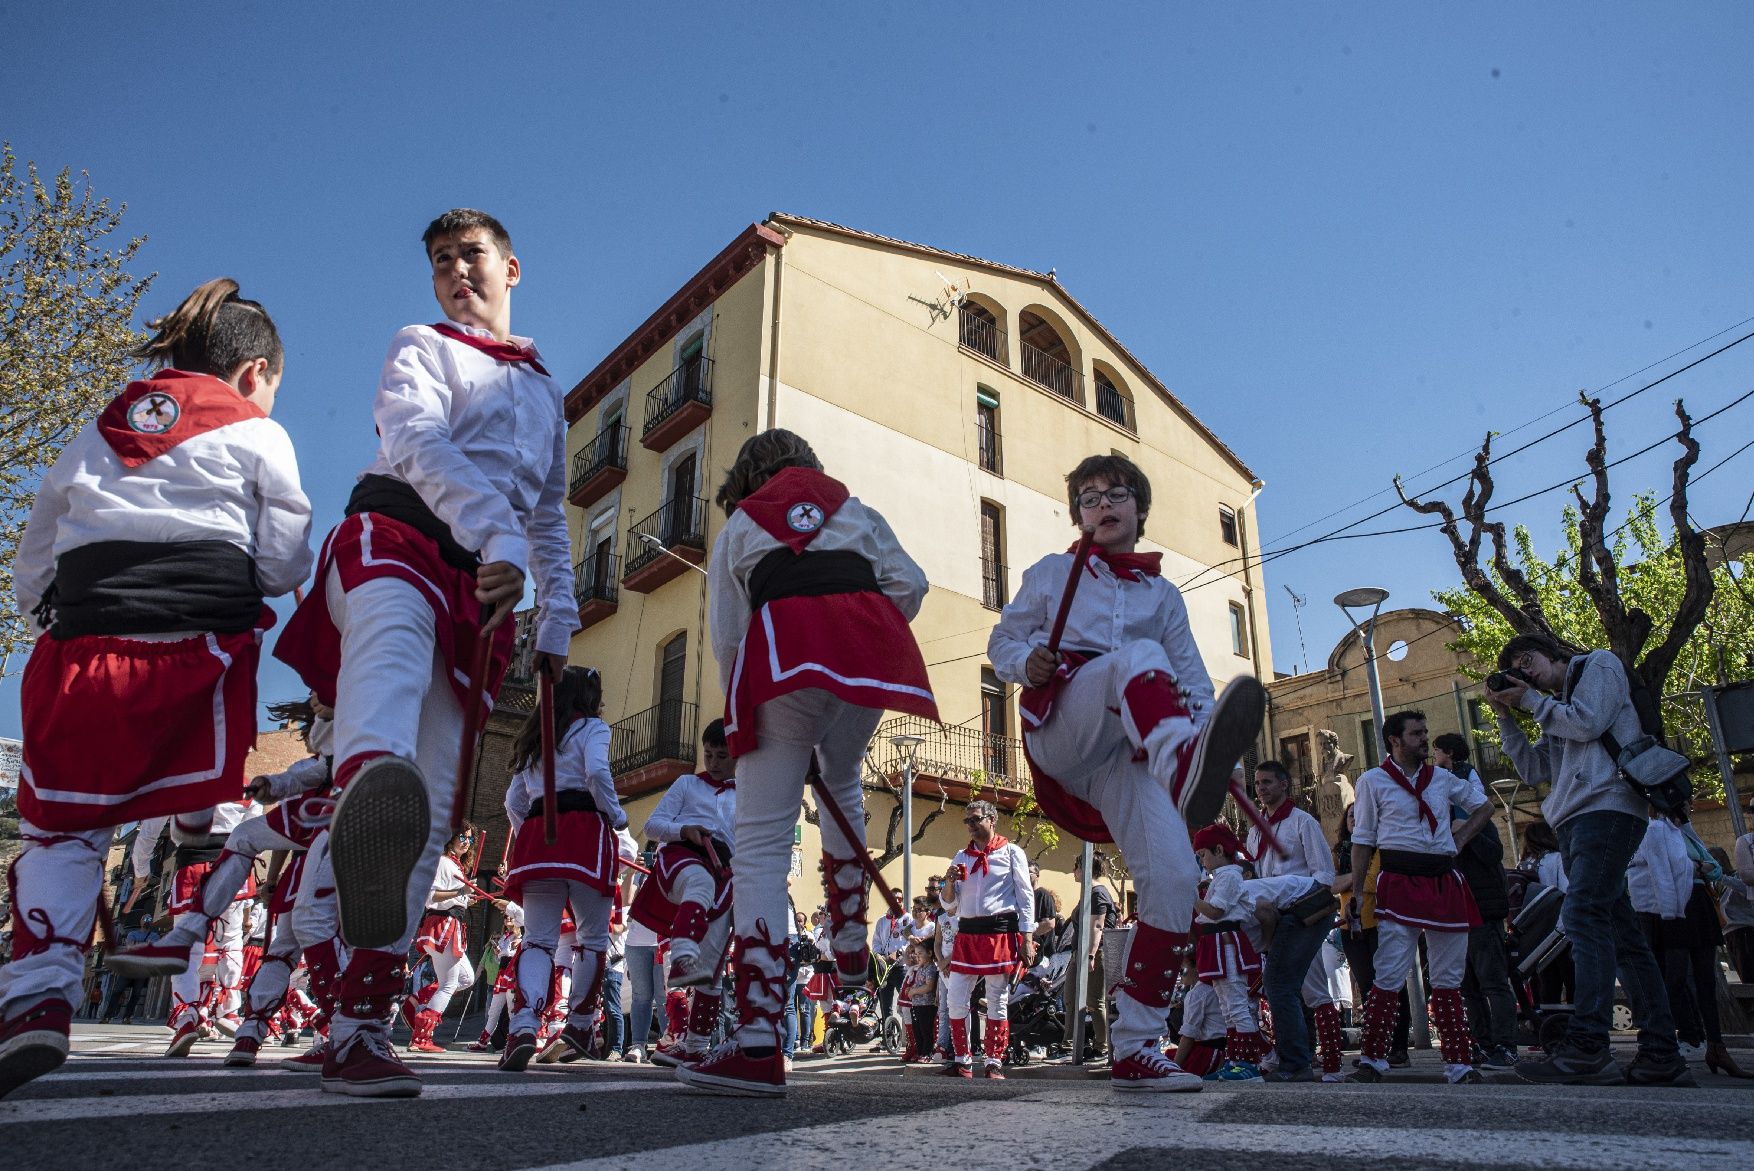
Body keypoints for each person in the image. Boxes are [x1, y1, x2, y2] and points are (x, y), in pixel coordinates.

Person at [273, 209, 577, 1098]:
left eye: (470, 254)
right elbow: (416, 441)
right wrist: (497, 539)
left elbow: (549, 519)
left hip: (475, 587)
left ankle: (357, 1023)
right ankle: (360, 796)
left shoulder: (546, 391)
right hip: (395, 540)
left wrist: (554, 627)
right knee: (391, 709)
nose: (454, 270)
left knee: (438, 802)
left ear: (511, 267)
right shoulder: (421, 345)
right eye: (440, 259)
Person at [0, 277, 312, 1102]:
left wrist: (48, 621)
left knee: (62, 831)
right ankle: (191, 884)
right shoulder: (259, 433)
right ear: (253, 374)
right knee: (207, 797)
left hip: (81, 654)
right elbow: (283, 566)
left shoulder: (93, 436)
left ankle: (37, 991)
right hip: (197, 658)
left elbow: (36, 550)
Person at [988, 453, 1268, 1093]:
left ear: (1139, 509)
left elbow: (1194, 683)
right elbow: (1003, 641)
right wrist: (1024, 660)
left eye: (1115, 494)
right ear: (1078, 515)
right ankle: (1182, 768)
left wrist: (1204, 727)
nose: (1102, 505)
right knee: (1133, 658)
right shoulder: (1053, 572)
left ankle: (1138, 1045)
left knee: (1173, 879)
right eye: (1088, 498)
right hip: (1066, 725)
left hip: (1132, 752)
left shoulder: (1164, 596)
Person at [677, 429, 935, 1098]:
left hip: (782, 659)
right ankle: (850, 934)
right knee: (843, 772)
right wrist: (857, 626)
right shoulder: (856, 509)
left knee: (761, 842)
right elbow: (912, 583)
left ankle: (759, 1040)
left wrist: (756, 714)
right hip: (865, 652)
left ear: (749, 474)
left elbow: (729, 640)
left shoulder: (739, 525)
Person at [1487, 633, 1690, 1086]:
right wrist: (1507, 717)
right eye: (1518, 671)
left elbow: (1589, 722)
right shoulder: (1554, 706)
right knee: (1622, 936)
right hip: (1574, 822)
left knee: (1582, 917)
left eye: (1528, 660)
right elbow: (1536, 770)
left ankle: (1588, 1047)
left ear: (1552, 651)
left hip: (1608, 808)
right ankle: (1661, 1053)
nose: (1526, 672)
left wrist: (1534, 701)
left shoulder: (1596, 665)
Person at [1344, 710, 1492, 1085]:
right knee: (1389, 970)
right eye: (1417, 734)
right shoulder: (1372, 781)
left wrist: (1459, 839)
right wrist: (1359, 891)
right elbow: (1363, 839)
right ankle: (1373, 1060)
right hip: (1398, 878)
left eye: (1426, 732)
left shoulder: (1442, 778)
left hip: (1443, 877)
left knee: (1448, 975)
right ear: (1395, 740)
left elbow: (1485, 807)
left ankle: (1458, 1063)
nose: (1425, 739)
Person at [495, 666, 627, 1071]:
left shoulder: (537, 736)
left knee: (537, 940)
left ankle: (522, 1026)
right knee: (592, 938)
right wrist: (617, 815)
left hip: (538, 837)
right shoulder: (593, 728)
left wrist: (533, 833)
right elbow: (596, 772)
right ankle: (580, 1025)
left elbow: (512, 801)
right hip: (586, 832)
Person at [629, 719, 737, 1068]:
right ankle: (683, 950)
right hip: (684, 856)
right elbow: (652, 825)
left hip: (728, 874)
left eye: (722, 756)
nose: (715, 763)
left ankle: (693, 1047)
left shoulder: (750, 792)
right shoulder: (687, 783)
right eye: (709, 754)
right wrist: (684, 830)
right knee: (699, 883)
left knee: (713, 969)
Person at [1245, 759, 1343, 1080]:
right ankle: (1298, 1059)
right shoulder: (1254, 832)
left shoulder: (1303, 823)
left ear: (1285, 784)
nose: (1261, 788)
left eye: (1268, 782)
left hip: (1303, 916)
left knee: (1310, 990)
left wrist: (1300, 907)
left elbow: (1324, 874)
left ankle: (1326, 1063)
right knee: (1282, 989)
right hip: (1273, 921)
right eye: (1258, 783)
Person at [1431, 732, 1518, 1072]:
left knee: (1493, 980)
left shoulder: (1477, 814)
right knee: (1467, 986)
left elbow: (1494, 854)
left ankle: (1506, 1046)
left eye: (1436, 750)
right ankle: (1481, 1044)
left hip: (1482, 910)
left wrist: (1466, 831)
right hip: (1454, 913)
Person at [939, 801, 1032, 1079]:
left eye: (975, 820)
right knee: (956, 997)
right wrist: (948, 883)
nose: (970, 825)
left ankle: (994, 1061)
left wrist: (1027, 937)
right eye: (967, 821)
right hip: (967, 934)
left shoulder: (1012, 853)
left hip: (999, 933)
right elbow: (948, 905)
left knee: (996, 999)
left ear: (992, 820)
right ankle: (962, 1060)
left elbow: (1026, 898)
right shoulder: (960, 856)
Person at [1190, 824, 1268, 1082]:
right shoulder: (1221, 877)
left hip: (1228, 944)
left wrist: (1190, 895)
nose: (1202, 860)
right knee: (1227, 1007)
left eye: (1203, 854)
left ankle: (1248, 1063)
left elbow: (1215, 912)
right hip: (1217, 944)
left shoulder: (1230, 877)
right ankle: (1234, 1061)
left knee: (1237, 1005)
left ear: (1219, 850)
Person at [404, 826, 482, 1055]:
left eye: (469, 838)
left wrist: (467, 897)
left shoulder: (455, 865)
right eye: (462, 836)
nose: (466, 841)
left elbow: (456, 897)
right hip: (443, 926)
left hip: (451, 926)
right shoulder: (442, 862)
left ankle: (419, 1000)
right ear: (450, 838)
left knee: (466, 978)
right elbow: (431, 896)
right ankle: (421, 1036)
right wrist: (461, 893)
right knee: (449, 984)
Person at [1074, 853, 1120, 1064]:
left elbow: (1097, 926)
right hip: (1080, 952)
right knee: (1072, 998)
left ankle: (1102, 1045)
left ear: (1084, 869)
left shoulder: (1098, 893)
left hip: (1096, 952)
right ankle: (1074, 1042)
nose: (1073, 872)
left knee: (1095, 1000)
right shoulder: (1088, 893)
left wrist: (1091, 955)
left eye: (1076, 867)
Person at [468, 902, 522, 1053]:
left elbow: (516, 956)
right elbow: (500, 957)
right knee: (494, 1010)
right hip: (501, 973)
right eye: (505, 917)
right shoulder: (505, 937)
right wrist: (498, 951)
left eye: (510, 917)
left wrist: (508, 950)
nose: (507, 920)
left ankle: (514, 1042)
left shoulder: (521, 937)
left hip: (512, 974)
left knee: (512, 1010)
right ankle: (483, 1041)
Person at [900, 941, 938, 1063]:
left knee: (926, 1030)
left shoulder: (931, 968)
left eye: (920, 953)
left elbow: (929, 986)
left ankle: (927, 1053)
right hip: (917, 1005)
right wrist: (910, 989)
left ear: (930, 953)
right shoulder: (920, 968)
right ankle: (920, 1052)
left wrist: (914, 991)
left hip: (927, 1005)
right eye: (916, 954)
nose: (917, 956)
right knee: (918, 1030)